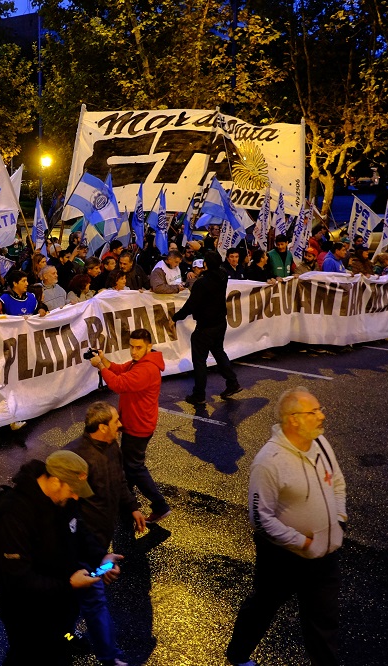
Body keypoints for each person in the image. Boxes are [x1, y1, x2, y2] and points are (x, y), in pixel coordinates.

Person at [226, 388, 347, 666]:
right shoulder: (269, 462)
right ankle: (238, 655)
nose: (321, 415)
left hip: (325, 556)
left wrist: (339, 518)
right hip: (283, 559)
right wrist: (301, 542)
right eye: (313, 411)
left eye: (320, 409)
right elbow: (261, 518)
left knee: (323, 622)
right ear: (293, 419)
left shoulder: (321, 443)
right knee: (263, 607)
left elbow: (337, 481)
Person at [0, 450, 110, 665]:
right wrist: (69, 584)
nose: (76, 497)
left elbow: (79, 530)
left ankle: (66, 638)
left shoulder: (64, 501)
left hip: (61, 604)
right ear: (55, 481)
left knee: (61, 639)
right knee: (29, 656)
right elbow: (18, 579)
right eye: (73, 490)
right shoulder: (14, 513)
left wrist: (101, 556)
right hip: (28, 615)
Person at [66, 403, 146, 666]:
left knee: (81, 591)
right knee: (94, 597)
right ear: (102, 427)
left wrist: (132, 507)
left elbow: (120, 480)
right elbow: (69, 508)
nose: (120, 425)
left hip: (101, 541)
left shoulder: (112, 446)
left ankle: (66, 632)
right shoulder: (75, 456)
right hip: (83, 544)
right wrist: (95, 551)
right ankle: (107, 656)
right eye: (115, 422)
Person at [89, 328, 171, 522]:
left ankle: (160, 505)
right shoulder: (141, 361)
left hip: (138, 426)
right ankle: (126, 500)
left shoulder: (147, 369)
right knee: (128, 464)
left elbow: (119, 384)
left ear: (149, 346)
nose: (133, 351)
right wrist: (105, 360)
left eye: (138, 347)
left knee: (134, 467)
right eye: (131, 347)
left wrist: (101, 366)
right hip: (136, 423)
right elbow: (119, 369)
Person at [170, 250, 241, 404]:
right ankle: (232, 382)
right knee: (218, 352)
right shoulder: (223, 277)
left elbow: (191, 305)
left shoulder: (202, 283)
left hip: (205, 326)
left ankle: (199, 394)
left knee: (199, 361)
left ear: (205, 264)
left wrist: (175, 318)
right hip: (220, 323)